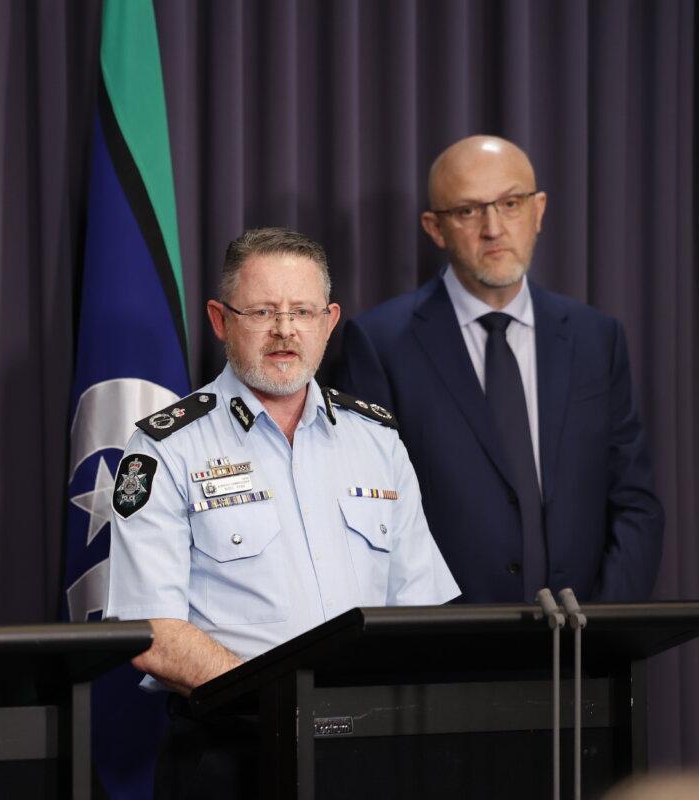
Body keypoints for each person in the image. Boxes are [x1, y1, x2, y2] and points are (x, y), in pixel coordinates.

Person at [105, 227, 459, 798]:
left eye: (301, 311)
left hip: (369, 753)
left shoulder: (378, 440)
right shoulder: (166, 447)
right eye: (263, 311)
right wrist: (285, 702)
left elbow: (422, 612)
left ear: (329, 320)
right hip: (230, 753)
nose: (284, 331)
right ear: (221, 321)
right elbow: (152, 633)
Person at [338, 135, 663, 603]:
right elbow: (371, 517)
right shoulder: (380, 344)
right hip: (445, 654)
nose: (494, 227)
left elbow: (635, 503)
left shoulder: (597, 338)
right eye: (469, 211)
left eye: (511, 203)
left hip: (582, 651)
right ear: (435, 228)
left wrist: (603, 634)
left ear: (539, 210)